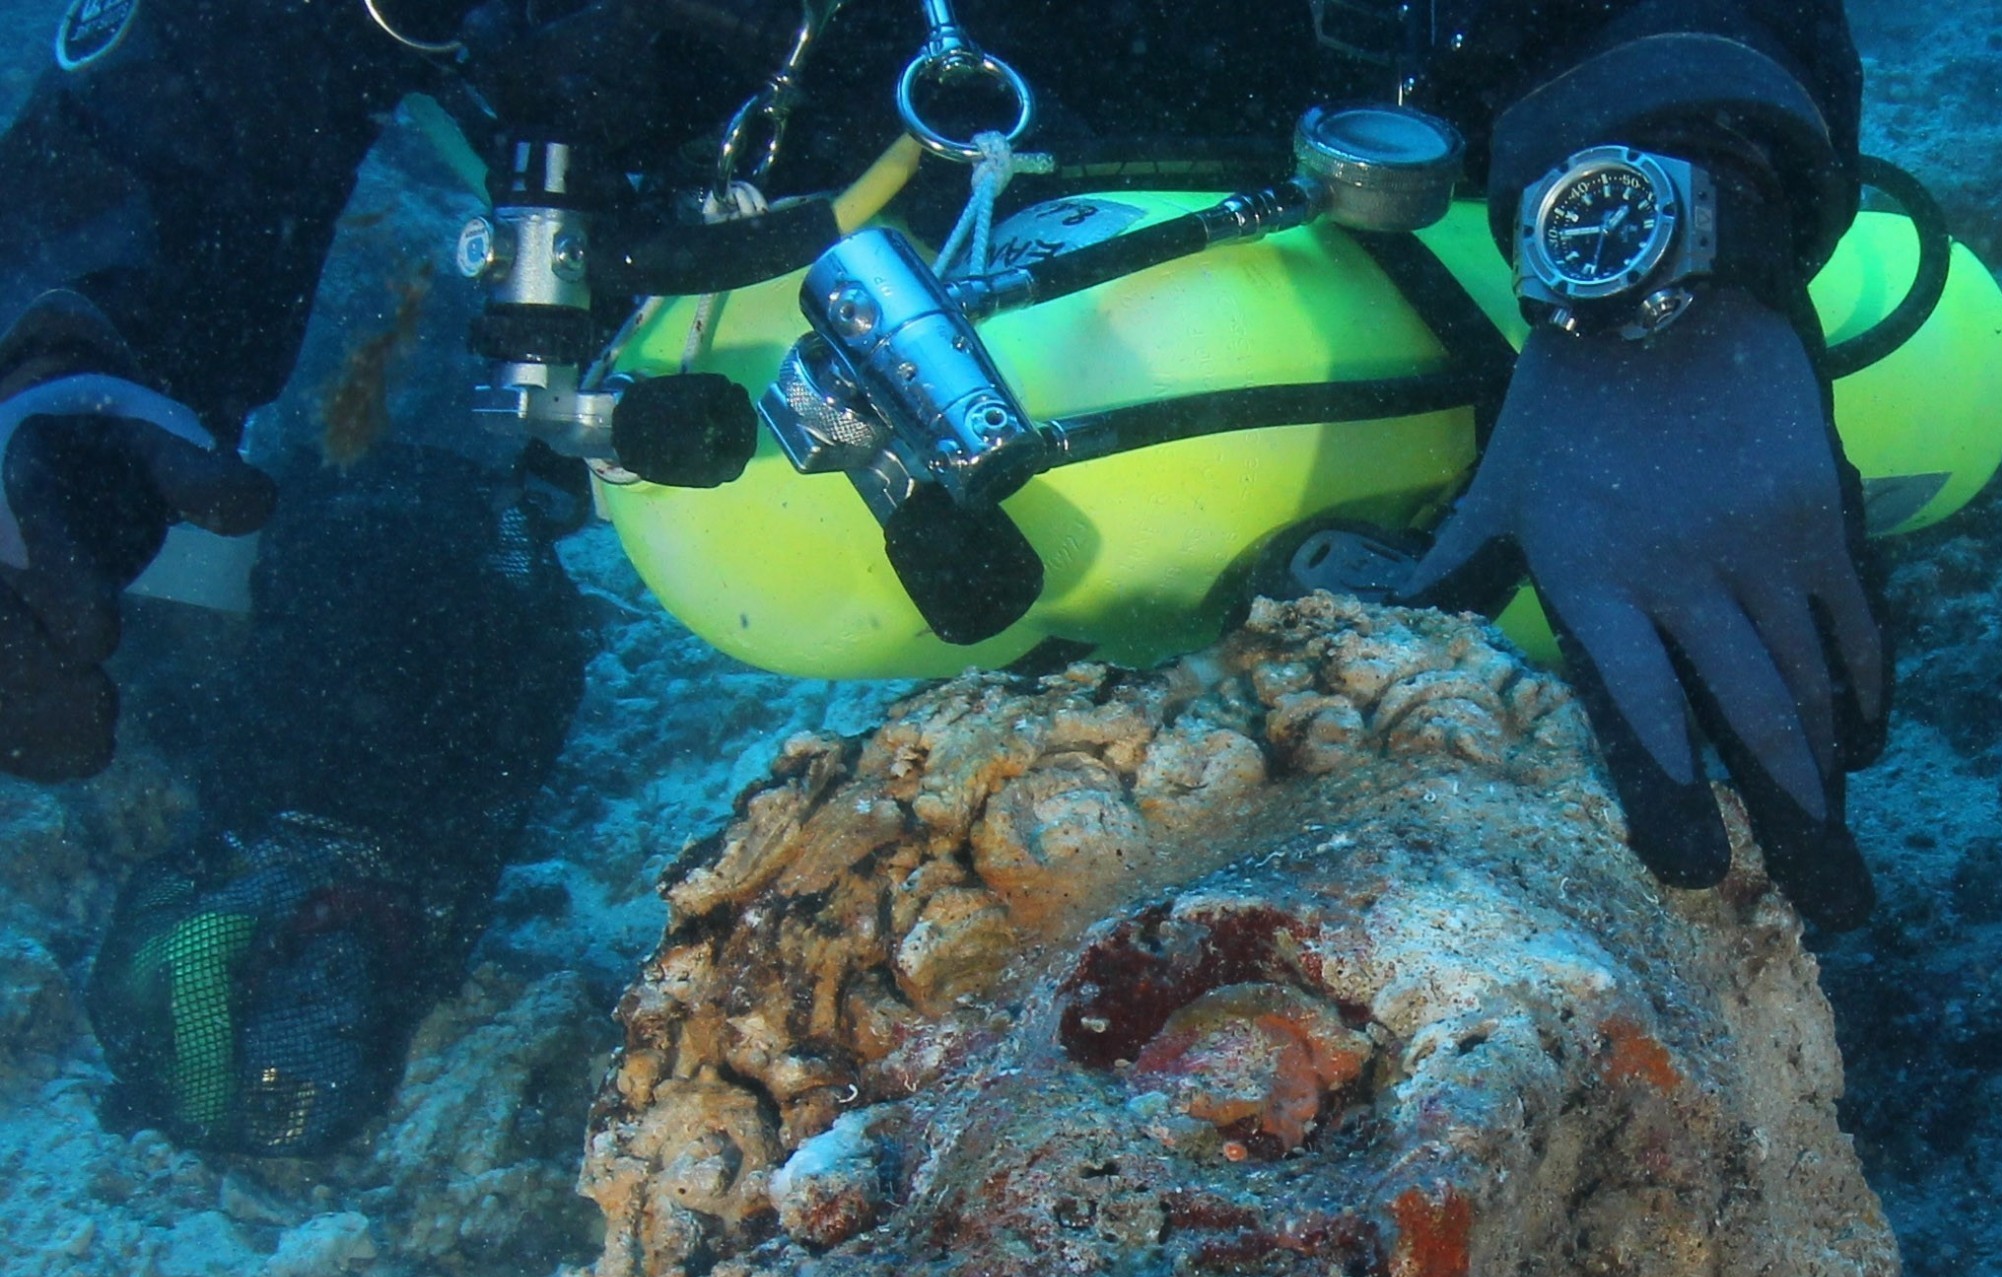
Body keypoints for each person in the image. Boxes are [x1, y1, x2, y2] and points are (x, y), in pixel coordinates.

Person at [0, 0, 1879, 1138]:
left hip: (1296, 214)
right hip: (772, 386)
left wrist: (1673, 244)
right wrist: (54, 355)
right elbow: (151, 130)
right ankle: (357, 841)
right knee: (407, 511)